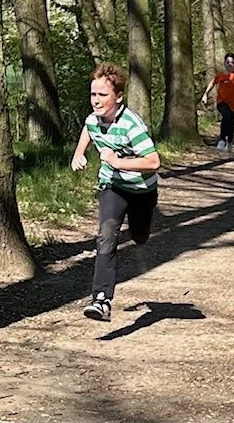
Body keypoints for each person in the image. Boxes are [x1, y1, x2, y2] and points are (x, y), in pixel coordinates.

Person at [71, 63, 160, 322]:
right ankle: (101, 300)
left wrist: (118, 162)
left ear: (118, 96)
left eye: (102, 95)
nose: (96, 100)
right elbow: (88, 128)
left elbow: (154, 161)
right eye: (93, 94)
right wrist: (79, 154)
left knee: (140, 236)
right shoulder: (93, 119)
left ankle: (139, 229)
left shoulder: (132, 125)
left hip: (142, 190)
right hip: (113, 186)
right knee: (106, 235)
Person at [201, 53, 234, 153]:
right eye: (228, 62)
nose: (230, 64)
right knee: (226, 116)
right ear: (224, 63)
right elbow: (212, 83)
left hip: (233, 104)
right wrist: (205, 94)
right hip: (221, 101)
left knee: (230, 123)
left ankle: (230, 141)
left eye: (232, 62)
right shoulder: (220, 75)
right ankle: (222, 140)